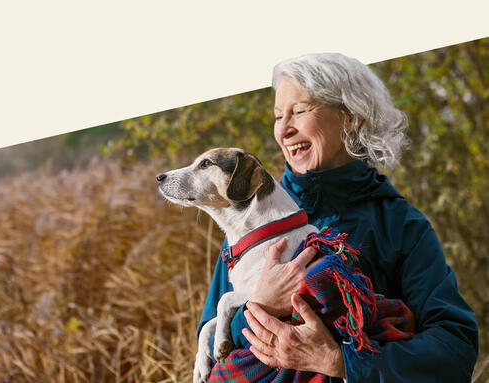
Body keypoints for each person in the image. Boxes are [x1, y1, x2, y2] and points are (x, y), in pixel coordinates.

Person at [198, 53, 478, 382]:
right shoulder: (251, 218)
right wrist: (258, 306)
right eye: (278, 116)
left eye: (299, 112)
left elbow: (454, 348)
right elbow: (214, 347)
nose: (284, 131)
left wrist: (340, 361)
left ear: (352, 117)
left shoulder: (400, 224)